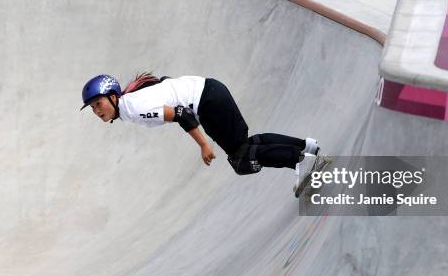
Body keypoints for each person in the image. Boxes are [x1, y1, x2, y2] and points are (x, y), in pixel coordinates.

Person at [80, 73, 322, 192]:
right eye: (92, 108)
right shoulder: (131, 102)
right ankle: (305, 147)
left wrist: (204, 145)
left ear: (113, 97)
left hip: (208, 102)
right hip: (211, 92)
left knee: (241, 159)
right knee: (245, 146)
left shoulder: (133, 107)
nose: (97, 111)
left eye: (99, 104)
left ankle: (301, 162)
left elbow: (182, 114)